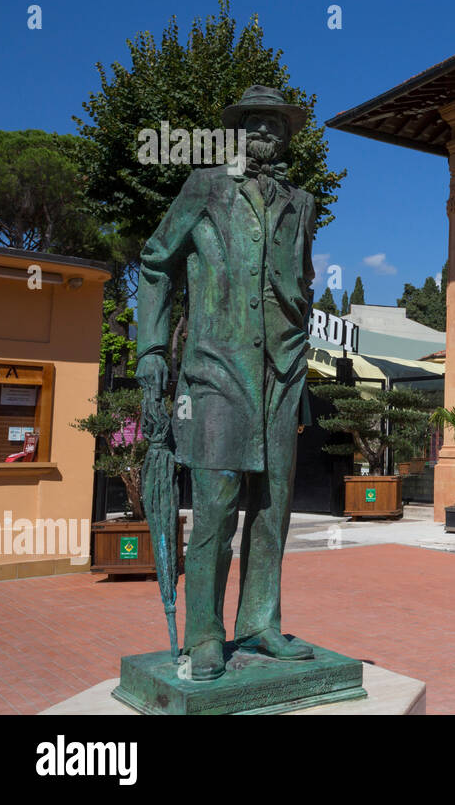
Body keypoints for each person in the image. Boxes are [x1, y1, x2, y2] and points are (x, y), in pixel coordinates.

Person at [137, 85, 317, 681]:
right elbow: (157, 262)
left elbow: (300, 280)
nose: (266, 135)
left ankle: (261, 621)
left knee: (273, 504)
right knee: (215, 501)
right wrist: (152, 348)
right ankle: (206, 634)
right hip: (215, 365)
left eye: (276, 127)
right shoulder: (204, 186)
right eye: (256, 125)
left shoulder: (302, 202)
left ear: (287, 137)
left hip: (282, 368)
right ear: (238, 133)